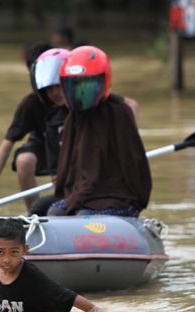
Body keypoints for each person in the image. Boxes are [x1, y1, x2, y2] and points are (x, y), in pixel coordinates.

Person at [48, 45, 152, 217]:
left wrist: (136, 202)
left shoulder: (119, 112)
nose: (79, 93)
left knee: (82, 217)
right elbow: (70, 166)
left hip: (115, 195)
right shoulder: (74, 117)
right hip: (82, 192)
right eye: (73, 87)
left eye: (86, 87)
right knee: (52, 212)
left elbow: (133, 164)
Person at [0, 42, 53, 210]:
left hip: (71, 148)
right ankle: (35, 214)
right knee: (24, 161)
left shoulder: (74, 95)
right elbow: (5, 147)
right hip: (45, 147)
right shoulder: (30, 103)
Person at [0, 218, 101, 312]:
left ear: (24, 250)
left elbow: (68, 296)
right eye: (0, 252)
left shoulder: (32, 276)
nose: (6, 260)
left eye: (14, 252)